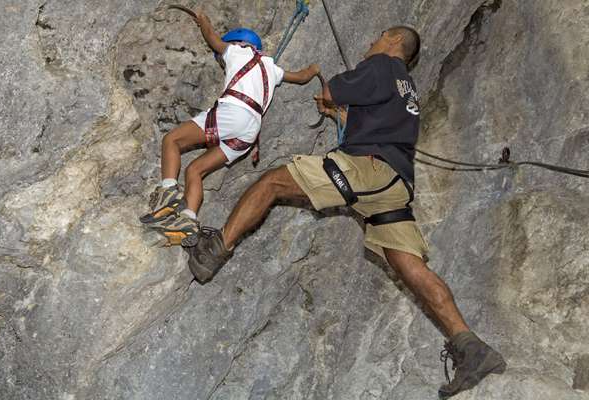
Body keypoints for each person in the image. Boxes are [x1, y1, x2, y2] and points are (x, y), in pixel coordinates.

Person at [183, 26, 507, 398]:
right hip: (394, 184)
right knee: (412, 268)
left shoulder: (383, 65)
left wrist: (331, 95)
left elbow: (331, 89)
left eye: (376, 37)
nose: (370, 43)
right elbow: (367, 123)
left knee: (270, 184)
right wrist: (341, 115)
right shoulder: (407, 87)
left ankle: (214, 250)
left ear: (391, 41)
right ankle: (472, 349)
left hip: (367, 169)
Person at [140, 10, 320, 246]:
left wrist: (203, 21)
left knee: (171, 140)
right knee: (195, 170)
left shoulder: (236, 50)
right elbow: (302, 77)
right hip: (250, 132)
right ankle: (188, 220)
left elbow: (212, 38)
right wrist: (314, 70)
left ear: (239, 43)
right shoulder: (272, 69)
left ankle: (168, 193)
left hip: (234, 111)